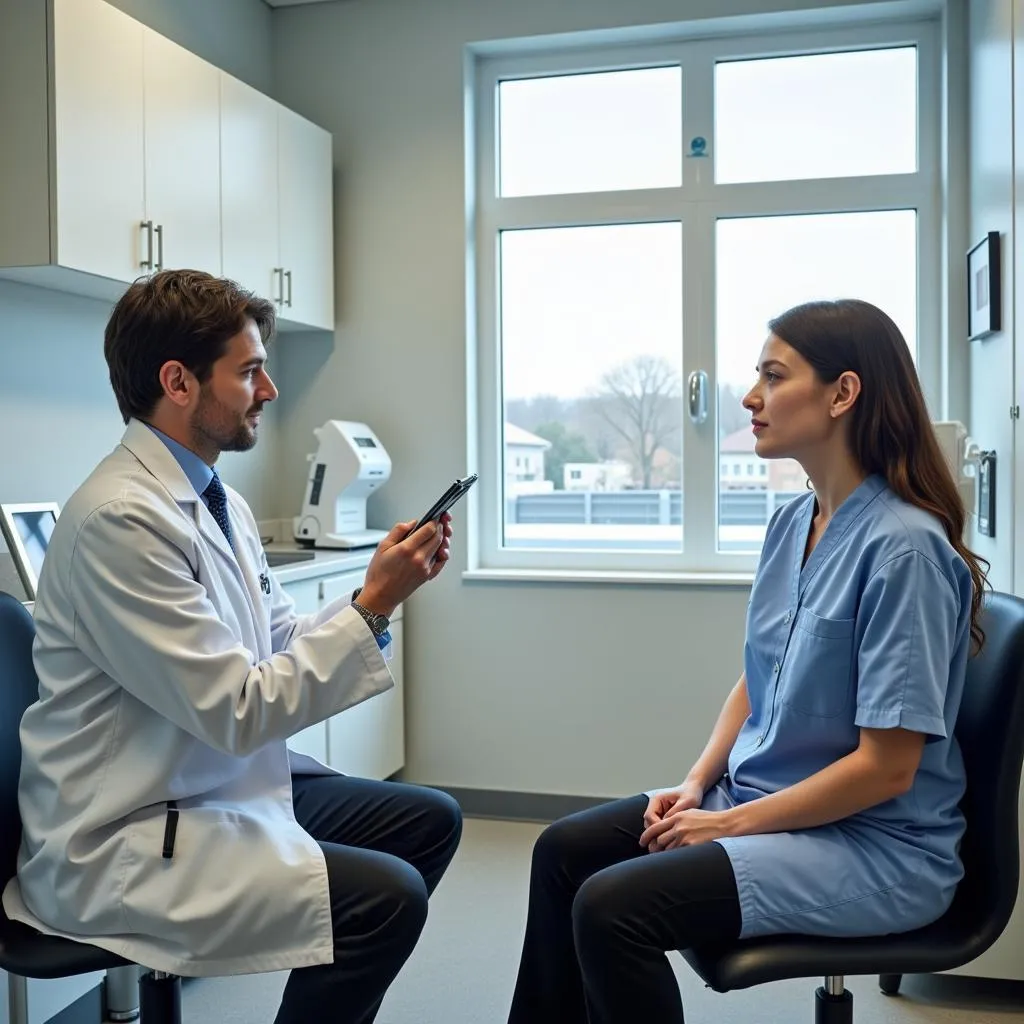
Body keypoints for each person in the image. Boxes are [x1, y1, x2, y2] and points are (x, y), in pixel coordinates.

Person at [507, 298, 989, 1024]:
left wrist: (727, 827)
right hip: (766, 804)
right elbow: (759, 677)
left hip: (875, 847)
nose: (749, 396)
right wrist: (698, 783)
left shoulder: (903, 549)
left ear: (842, 393)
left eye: (773, 375)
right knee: (563, 852)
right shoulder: (794, 522)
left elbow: (888, 768)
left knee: (613, 909)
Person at [2, 269, 463, 1024]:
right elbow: (238, 711)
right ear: (177, 382)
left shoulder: (218, 499)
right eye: (249, 371)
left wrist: (371, 600)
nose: (270, 390)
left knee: (428, 819)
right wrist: (375, 603)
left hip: (208, 784)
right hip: (129, 828)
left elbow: (276, 642)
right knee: (385, 901)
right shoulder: (122, 521)